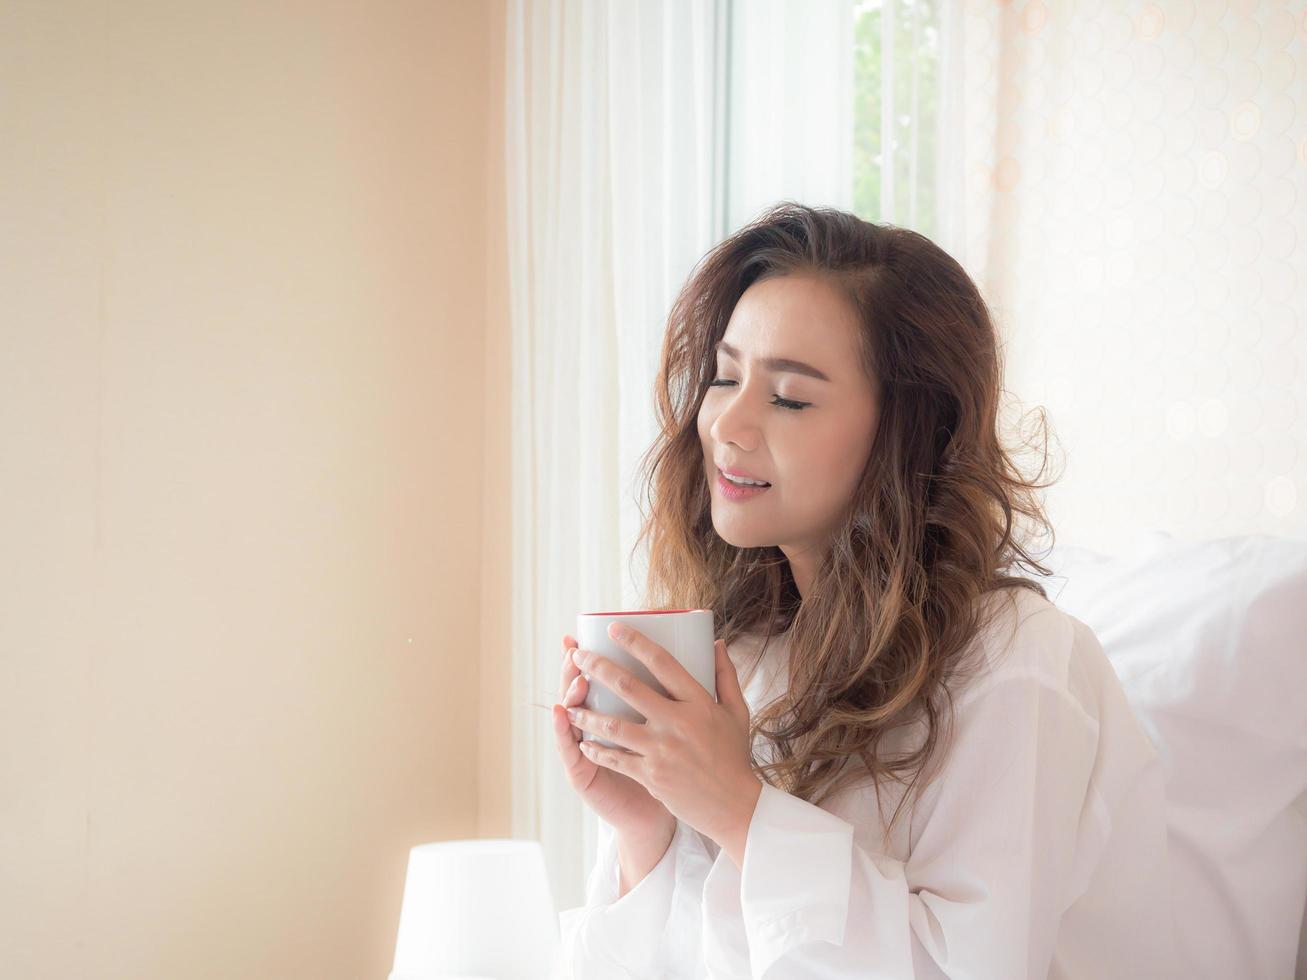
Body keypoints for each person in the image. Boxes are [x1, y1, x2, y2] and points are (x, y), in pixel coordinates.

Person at [548, 202, 1177, 979]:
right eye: (724, 375)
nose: (727, 425)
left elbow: (965, 969)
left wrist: (737, 810)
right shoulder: (745, 647)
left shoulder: (1016, 663)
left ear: (910, 428)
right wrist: (644, 830)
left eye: (789, 397)